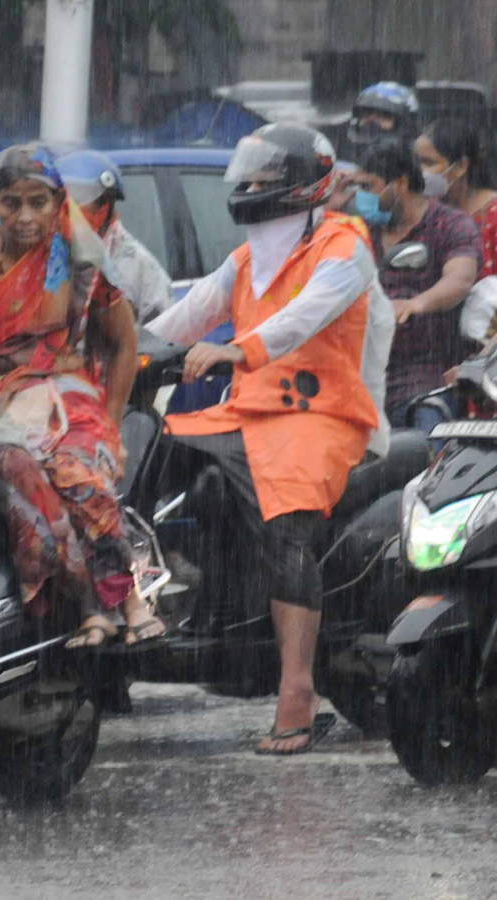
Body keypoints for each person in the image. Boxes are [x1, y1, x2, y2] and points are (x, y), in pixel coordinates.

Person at [148, 123, 395, 754]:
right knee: (152, 452)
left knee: (283, 525)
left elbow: (305, 316)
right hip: (247, 410)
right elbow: (179, 320)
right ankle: (156, 598)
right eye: (247, 177)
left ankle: (297, 689)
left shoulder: (347, 245)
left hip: (323, 416)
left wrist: (238, 348)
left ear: (301, 187)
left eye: (263, 179)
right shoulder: (246, 257)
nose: (248, 187)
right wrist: (122, 352)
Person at [0, 144, 163, 650]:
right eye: (13, 203)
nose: (26, 217)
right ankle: (89, 605)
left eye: (39, 202)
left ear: (57, 201)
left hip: (67, 397)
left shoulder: (78, 256)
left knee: (77, 473)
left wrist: (111, 424)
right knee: (19, 473)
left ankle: (128, 597)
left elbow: (123, 343)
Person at [350, 137, 481, 430]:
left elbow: (460, 279)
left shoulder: (449, 224)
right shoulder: (358, 230)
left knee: (424, 460)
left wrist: (415, 303)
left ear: (399, 184)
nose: (361, 197)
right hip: (360, 382)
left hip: (423, 381)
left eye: (368, 187)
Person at [56, 149, 174, 323]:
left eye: (85, 199)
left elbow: (166, 335)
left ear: (107, 205)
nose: (75, 210)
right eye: (68, 199)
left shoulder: (135, 263)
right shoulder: (37, 251)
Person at [416, 118, 497, 279]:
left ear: (461, 166)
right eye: (416, 162)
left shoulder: (493, 215)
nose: (419, 171)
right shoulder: (422, 209)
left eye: (428, 162)